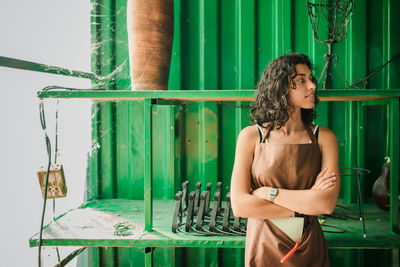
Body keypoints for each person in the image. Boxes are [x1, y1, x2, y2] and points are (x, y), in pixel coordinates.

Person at [230, 53, 340, 267]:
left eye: (311, 79)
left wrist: (268, 194)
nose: (312, 86)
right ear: (280, 87)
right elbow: (240, 206)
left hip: (309, 245)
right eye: (301, 80)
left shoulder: (324, 138)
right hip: (263, 245)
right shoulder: (250, 137)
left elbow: (326, 204)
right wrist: (306, 205)